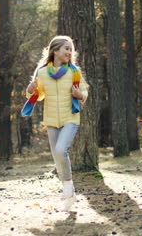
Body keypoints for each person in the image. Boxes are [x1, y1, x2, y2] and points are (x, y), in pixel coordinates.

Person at [24, 35, 88, 211]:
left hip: (70, 118)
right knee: (56, 157)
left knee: (61, 150)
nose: (69, 52)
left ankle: (68, 187)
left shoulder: (73, 71)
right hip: (51, 119)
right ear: (55, 50)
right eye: (66, 48)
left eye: (70, 49)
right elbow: (39, 95)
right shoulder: (42, 72)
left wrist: (80, 96)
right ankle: (69, 194)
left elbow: (84, 92)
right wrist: (30, 91)